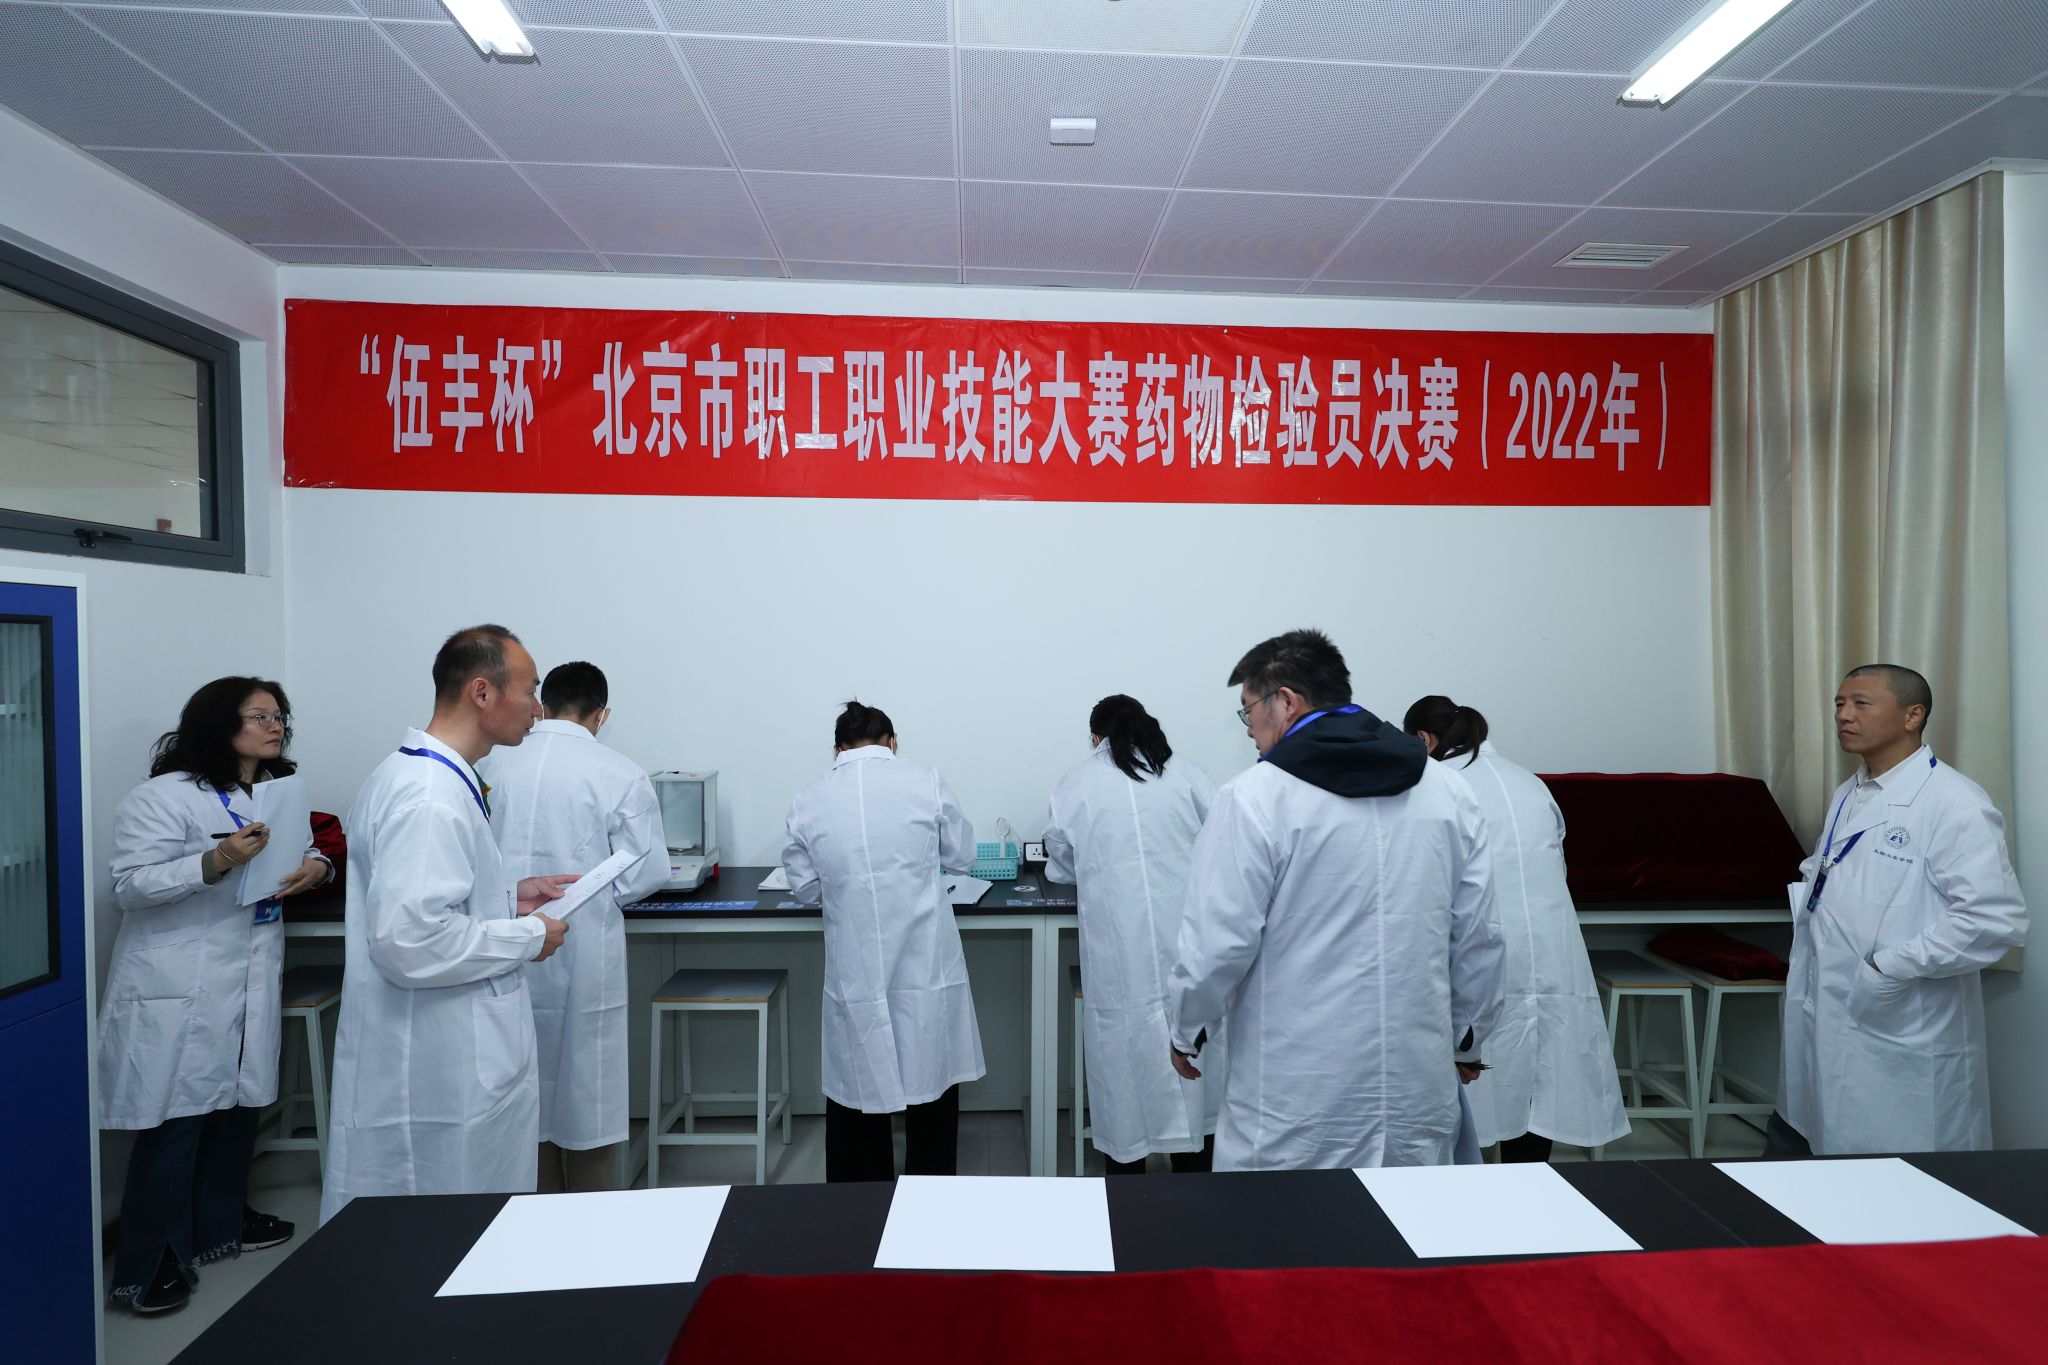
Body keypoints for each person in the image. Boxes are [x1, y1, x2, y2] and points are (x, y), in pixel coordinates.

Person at [1168, 629, 1505, 1171]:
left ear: (1286, 701)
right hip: (1413, 1084)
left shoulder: (1254, 799)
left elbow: (1216, 941)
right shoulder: (1447, 791)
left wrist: (1188, 1029)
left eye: (1248, 709)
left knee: (1291, 1224)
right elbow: (1479, 933)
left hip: (1296, 1094)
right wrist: (1469, 1036)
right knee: (1408, 1221)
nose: (1249, 728)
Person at [321, 626, 575, 1225]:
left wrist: (506, 895)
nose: (539, 710)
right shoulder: (428, 797)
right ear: (482, 693)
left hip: (447, 1045)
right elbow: (411, 940)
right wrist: (529, 937)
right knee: (443, 1222)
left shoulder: (427, 776)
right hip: (435, 1062)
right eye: (531, 691)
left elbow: (426, 900)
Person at [98, 677, 332, 1314]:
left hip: (249, 973)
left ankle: (219, 1225)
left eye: (279, 716)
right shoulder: (163, 797)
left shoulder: (273, 792)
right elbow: (130, 885)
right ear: (217, 723)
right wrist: (216, 860)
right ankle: (148, 1262)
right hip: (181, 982)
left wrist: (317, 868)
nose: (275, 726)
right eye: (259, 716)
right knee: (176, 1119)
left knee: (237, 1108)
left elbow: (309, 852)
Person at [1772, 664, 2028, 1156]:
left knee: (1901, 1162)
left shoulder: (1955, 803)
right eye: (1839, 704)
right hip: (1833, 1002)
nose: (1844, 715)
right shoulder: (1852, 790)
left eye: (1861, 703)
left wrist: (1886, 967)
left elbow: (1992, 922)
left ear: (1913, 716)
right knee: (1822, 1141)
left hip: (1902, 1017)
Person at [1402, 696, 1627, 1162]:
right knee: (1540, 1081)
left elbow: (1423, 883)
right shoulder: (1530, 782)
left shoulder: (1438, 785)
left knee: (1478, 1085)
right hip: (1550, 951)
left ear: (1424, 739)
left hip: (1481, 951)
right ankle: (1531, 1185)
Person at [482, 661, 667, 1192]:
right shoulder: (619, 771)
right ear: (602, 714)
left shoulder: (492, 762)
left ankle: (529, 1199)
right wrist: (597, 896)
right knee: (587, 1079)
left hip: (501, 935)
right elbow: (647, 870)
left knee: (518, 1073)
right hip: (583, 943)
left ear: (542, 705)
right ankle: (589, 1205)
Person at [780, 701, 984, 1182]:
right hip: (923, 965)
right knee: (931, 1078)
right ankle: (928, 1194)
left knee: (857, 1084)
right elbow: (961, 857)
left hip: (856, 970)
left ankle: (860, 1202)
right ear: (893, 742)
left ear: (837, 750)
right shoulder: (926, 782)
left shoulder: (810, 798)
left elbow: (804, 887)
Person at [1044, 694, 1222, 1174]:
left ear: (1096, 737)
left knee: (1122, 1061)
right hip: (1188, 942)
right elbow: (1223, 845)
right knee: (1196, 1057)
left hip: (1119, 951)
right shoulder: (1186, 773)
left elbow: (1060, 865)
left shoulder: (1077, 783)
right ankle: (1198, 1180)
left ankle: (1126, 1184)